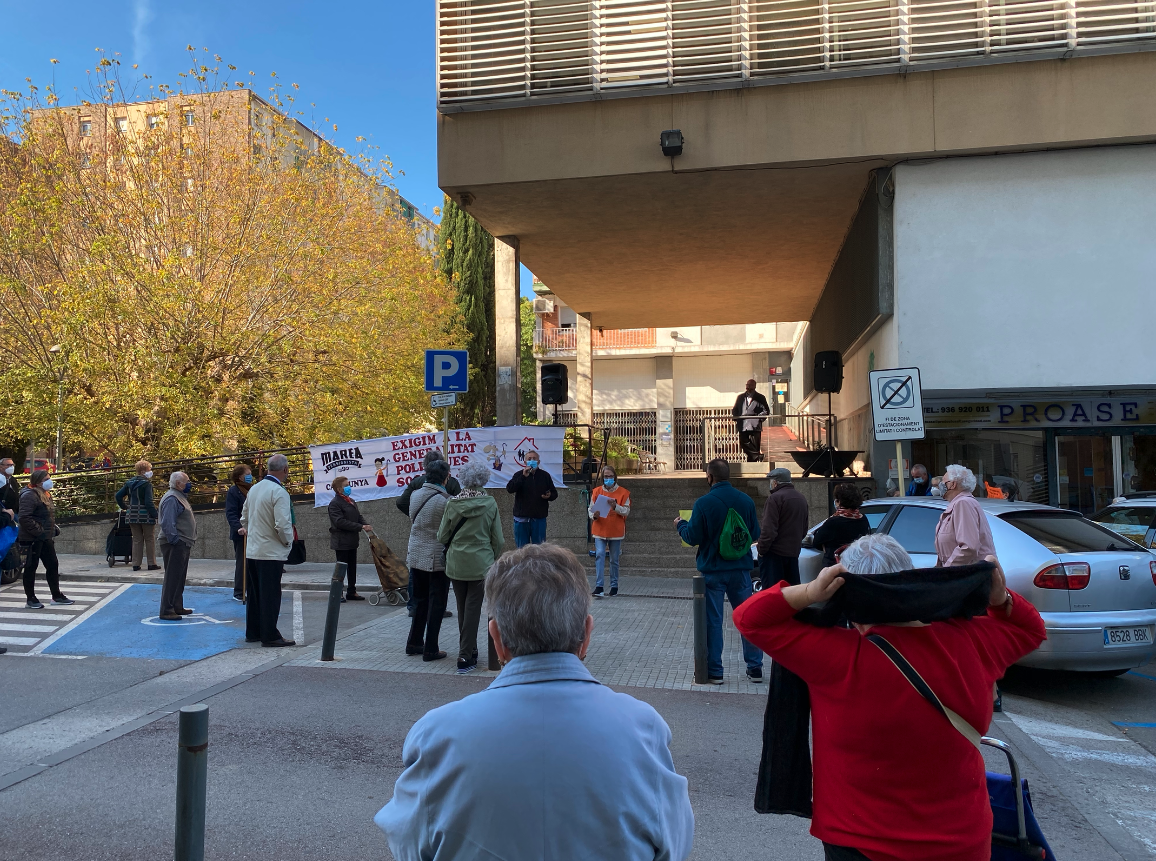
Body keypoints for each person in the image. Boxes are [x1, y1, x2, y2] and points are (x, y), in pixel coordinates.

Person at [734, 534, 1045, 861]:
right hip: (961, 843)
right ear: (908, 581)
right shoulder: (972, 642)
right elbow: (1031, 630)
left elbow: (749, 618)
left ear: (847, 595)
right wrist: (1000, 598)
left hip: (860, 842)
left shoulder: (835, 656)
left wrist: (810, 592)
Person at [375, 543, 695, 861]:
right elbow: (673, 845)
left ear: (497, 639)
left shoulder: (437, 734)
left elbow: (408, 845)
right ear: (586, 634)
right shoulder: (644, 729)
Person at [675, 458, 764, 684]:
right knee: (747, 617)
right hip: (741, 569)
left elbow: (692, 537)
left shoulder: (703, 503)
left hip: (713, 570)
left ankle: (715, 671)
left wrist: (680, 525)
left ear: (710, 477)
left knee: (713, 622)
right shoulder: (746, 501)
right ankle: (755, 667)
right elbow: (754, 533)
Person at [437, 459, 503, 673]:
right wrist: (490, 557)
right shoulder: (490, 503)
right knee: (473, 608)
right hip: (481, 562)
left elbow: (442, 536)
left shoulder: (452, 503)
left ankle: (469, 650)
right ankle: (465, 655)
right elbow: (498, 539)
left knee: (462, 607)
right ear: (483, 479)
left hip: (456, 561)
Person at [240, 453, 295, 647]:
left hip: (253, 550)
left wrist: (253, 533)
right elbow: (282, 524)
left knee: (255, 594)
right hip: (271, 551)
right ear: (285, 469)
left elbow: (244, 517)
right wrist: (288, 543)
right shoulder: (279, 492)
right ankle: (270, 635)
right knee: (270, 595)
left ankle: (253, 632)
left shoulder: (254, 489)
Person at [397, 449, 458, 618]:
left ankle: (413, 607)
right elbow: (458, 512)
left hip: (417, 541)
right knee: (438, 582)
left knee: (416, 577)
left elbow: (401, 502)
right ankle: (436, 610)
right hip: (439, 543)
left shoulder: (416, 485)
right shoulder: (450, 487)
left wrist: (416, 518)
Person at [406, 459, 452, 662]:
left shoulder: (415, 495)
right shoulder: (446, 500)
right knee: (437, 603)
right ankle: (431, 648)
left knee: (420, 600)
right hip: (436, 557)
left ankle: (414, 642)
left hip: (416, 553)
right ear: (445, 477)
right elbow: (448, 530)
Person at [17, 469, 71, 610]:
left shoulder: (44, 494)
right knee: (30, 567)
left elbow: (45, 516)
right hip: (32, 538)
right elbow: (24, 517)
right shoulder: (29, 495)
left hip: (45, 537)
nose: (49, 481)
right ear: (38, 482)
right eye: (46, 479)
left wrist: (52, 529)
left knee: (52, 564)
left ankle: (56, 595)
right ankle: (31, 599)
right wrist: (39, 532)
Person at [757, 467, 810, 586]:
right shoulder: (801, 498)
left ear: (775, 482)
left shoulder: (774, 499)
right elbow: (804, 529)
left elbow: (768, 530)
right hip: (793, 554)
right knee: (791, 592)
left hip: (774, 555)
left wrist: (761, 550)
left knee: (772, 592)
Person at [936, 464, 996, 567]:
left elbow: (968, 547)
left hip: (968, 573)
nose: (940, 485)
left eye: (943, 481)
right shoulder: (959, 503)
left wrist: (947, 569)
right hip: (963, 572)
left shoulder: (963, 503)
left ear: (952, 484)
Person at [157, 471, 196, 621]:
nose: (189, 484)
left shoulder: (179, 497)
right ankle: (167, 610)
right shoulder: (172, 498)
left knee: (179, 577)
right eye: (187, 481)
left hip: (182, 542)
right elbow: (167, 522)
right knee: (173, 577)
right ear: (178, 484)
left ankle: (176, 606)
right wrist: (175, 540)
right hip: (175, 543)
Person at [328, 475, 372, 603]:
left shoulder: (351, 501)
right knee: (341, 568)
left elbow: (358, 516)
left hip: (352, 540)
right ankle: (338, 592)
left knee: (352, 567)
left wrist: (365, 525)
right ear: (339, 489)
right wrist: (360, 526)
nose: (349, 487)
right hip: (341, 541)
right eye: (346, 485)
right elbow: (339, 522)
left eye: (349, 484)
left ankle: (352, 591)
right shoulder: (335, 503)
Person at [589, 464, 630, 598]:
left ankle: (614, 586)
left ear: (615, 477)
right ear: (602, 478)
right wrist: (594, 515)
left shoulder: (623, 492)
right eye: (606, 476)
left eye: (611, 476)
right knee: (600, 554)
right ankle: (599, 586)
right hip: (600, 528)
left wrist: (615, 506)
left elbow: (626, 511)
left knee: (614, 559)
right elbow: (590, 509)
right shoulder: (597, 491)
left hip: (615, 530)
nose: (608, 479)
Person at [115, 460, 161, 572]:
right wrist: (156, 515)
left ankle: (136, 564)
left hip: (132, 515)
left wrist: (125, 507)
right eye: (149, 469)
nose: (150, 472)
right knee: (149, 539)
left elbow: (118, 496)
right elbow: (149, 502)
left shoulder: (129, 483)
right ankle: (151, 563)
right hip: (146, 515)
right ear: (143, 471)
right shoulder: (147, 484)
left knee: (136, 539)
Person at [506, 449, 557, 547]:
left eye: (534, 459)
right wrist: (523, 477)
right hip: (521, 519)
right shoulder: (518, 475)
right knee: (521, 549)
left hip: (539, 519)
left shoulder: (545, 476)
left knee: (539, 549)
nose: (532, 461)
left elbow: (554, 494)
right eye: (529, 459)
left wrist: (549, 495)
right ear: (525, 462)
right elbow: (510, 489)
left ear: (539, 462)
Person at [811, 483, 871, 566]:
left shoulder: (833, 522)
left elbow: (816, 542)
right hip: (857, 565)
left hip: (835, 565)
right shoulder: (863, 519)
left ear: (839, 501)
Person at [395, 449, 461, 516]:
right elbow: (460, 505)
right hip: (445, 520)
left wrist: (415, 515)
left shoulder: (416, 482)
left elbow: (401, 503)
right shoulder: (452, 482)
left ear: (425, 465)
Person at [224, 464, 253, 603]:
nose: (250, 476)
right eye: (247, 474)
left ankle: (250, 589)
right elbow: (231, 512)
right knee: (242, 563)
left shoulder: (251, 489)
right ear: (240, 477)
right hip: (241, 533)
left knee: (251, 562)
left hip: (252, 532)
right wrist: (238, 528)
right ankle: (239, 592)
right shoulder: (234, 491)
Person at [733, 379, 770, 462]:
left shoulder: (760, 397)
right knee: (743, 443)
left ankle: (753, 463)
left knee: (755, 446)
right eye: (747, 385)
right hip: (743, 425)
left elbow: (766, 411)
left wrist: (758, 419)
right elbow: (735, 409)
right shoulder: (740, 397)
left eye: (750, 385)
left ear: (755, 386)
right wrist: (736, 418)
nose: (748, 387)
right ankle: (758, 456)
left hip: (754, 426)